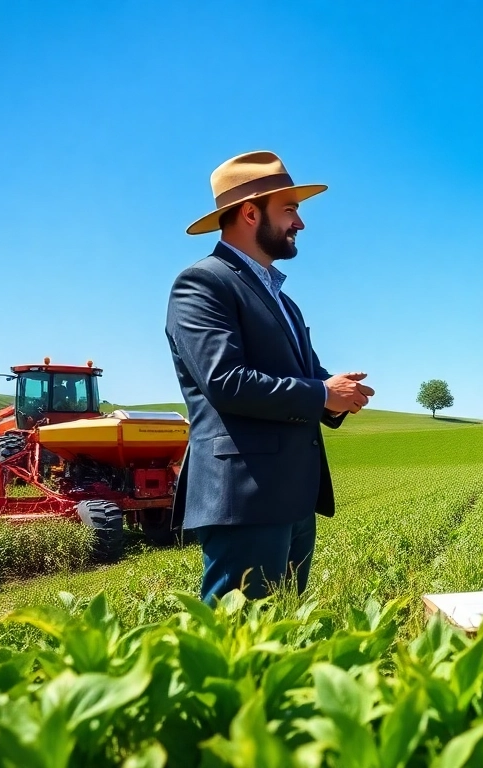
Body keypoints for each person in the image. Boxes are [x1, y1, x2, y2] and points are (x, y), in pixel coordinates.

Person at [165, 150, 375, 604]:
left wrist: (339, 391)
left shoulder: (283, 299)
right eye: (290, 209)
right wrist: (321, 393)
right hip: (244, 498)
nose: (300, 223)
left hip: (293, 498)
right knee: (236, 645)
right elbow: (226, 380)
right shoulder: (202, 283)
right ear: (248, 212)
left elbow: (306, 375)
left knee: (284, 640)